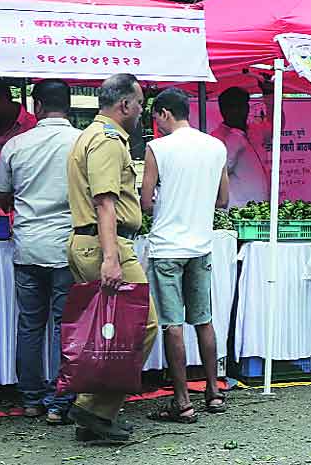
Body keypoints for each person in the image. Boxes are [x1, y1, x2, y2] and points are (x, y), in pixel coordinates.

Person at [65, 73, 158, 443]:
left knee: (112, 333)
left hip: (98, 242)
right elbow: (105, 202)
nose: (140, 112)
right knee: (140, 326)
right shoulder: (107, 140)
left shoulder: (91, 135)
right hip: (107, 243)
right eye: (139, 104)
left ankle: (95, 415)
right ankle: (93, 408)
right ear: (125, 105)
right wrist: (111, 257)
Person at [0, 79, 81, 424]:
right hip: (66, 246)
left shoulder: (17, 145)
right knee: (64, 326)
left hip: (28, 246)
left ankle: (30, 399)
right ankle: (60, 402)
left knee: (30, 325)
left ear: (37, 106)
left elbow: (0, 194)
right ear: (69, 105)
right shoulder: (82, 142)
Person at [140, 88, 230, 422]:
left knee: (172, 325)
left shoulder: (157, 148)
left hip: (167, 247)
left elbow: (146, 202)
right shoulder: (214, 146)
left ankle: (182, 402)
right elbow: (223, 200)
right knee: (203, 320)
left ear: (164, 113)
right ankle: (213, 392)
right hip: (200, 245)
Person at [210, 86, 269, 207]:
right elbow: (222, 169)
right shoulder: (216, 138)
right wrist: (235, 138)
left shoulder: (254, 129)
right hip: (238, 209)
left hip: (261, 206)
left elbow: (278, 125)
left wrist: (269, 94)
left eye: (242, 106)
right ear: (223, 110)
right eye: (233, 107)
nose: (239, 111)